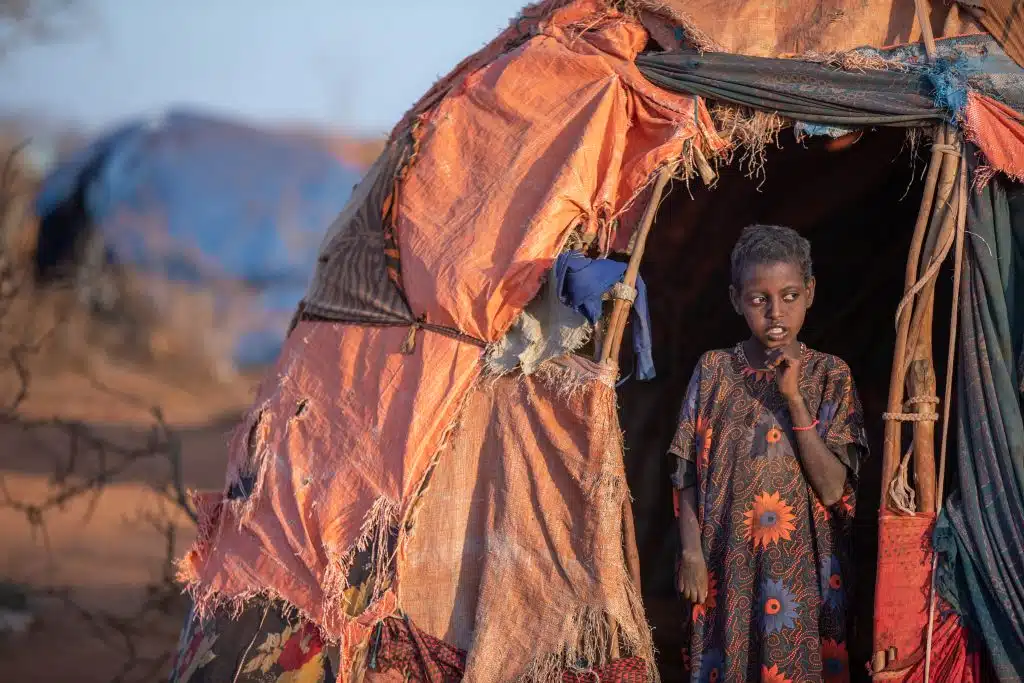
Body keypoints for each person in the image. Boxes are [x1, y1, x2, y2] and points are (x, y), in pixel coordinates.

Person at [670, 224, 867, 683]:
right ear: (737, 299)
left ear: (811, 293)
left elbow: (835, 488)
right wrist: (691, 554)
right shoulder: (714, 370)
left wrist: (795, 399)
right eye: (759, 299)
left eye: (790, 295)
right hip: (725, 568)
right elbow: (685, 472)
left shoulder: (830, 375)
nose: (776, 312)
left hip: (805, 575)